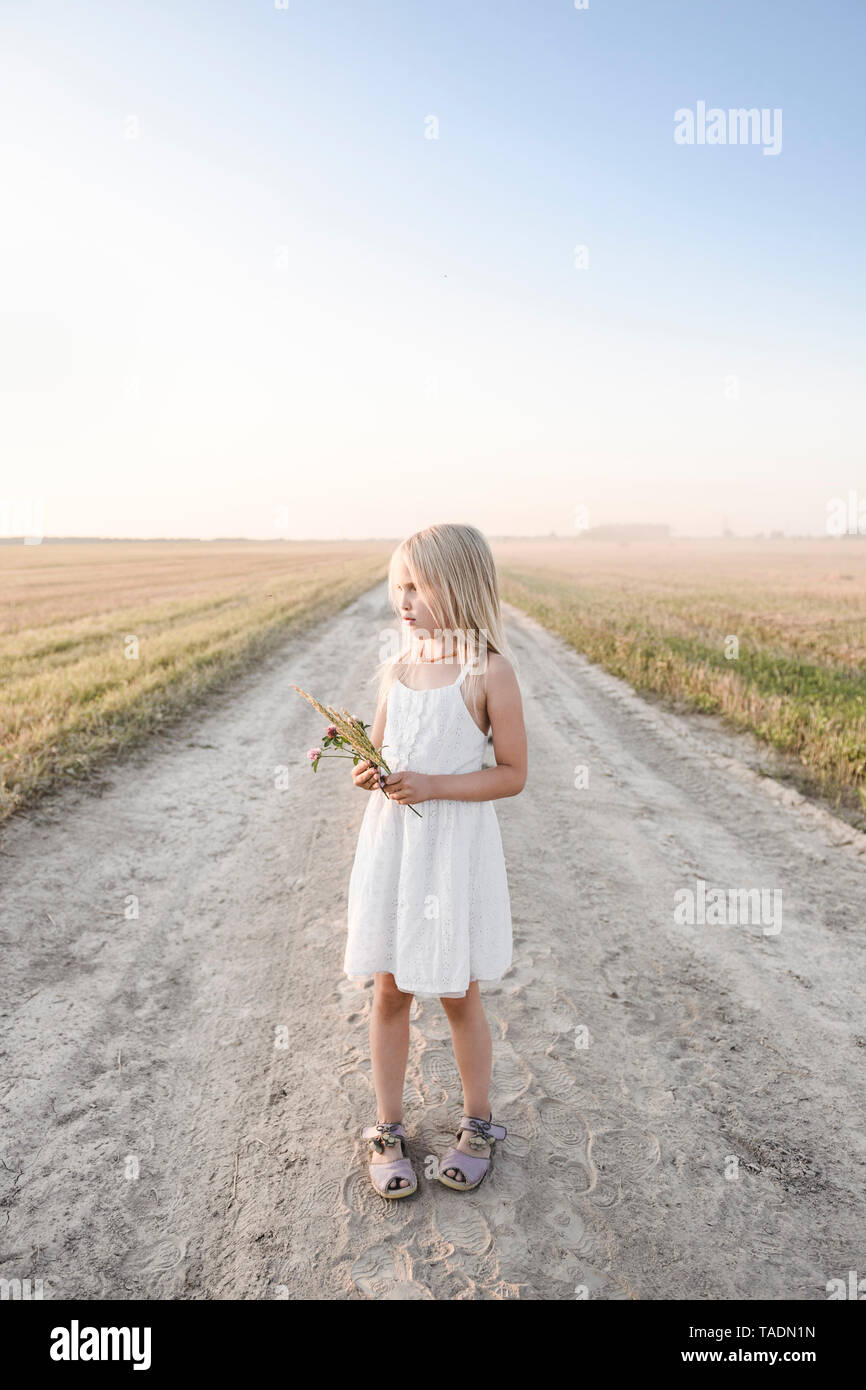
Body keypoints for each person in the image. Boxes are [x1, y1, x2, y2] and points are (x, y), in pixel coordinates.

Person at [345, 522, 527, 1196]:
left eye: (417, 585)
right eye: (400, 586)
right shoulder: (399, 668)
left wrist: (438, 785)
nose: (404, 599)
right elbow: (384, 754)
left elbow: (511, 773)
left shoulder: (488, 672)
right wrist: (368, 772)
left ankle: (478, 1121)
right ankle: (388, 1126)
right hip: (397, 848)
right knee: (389, 989)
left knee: (457, 989)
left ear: (459, 586)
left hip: (449, 853)